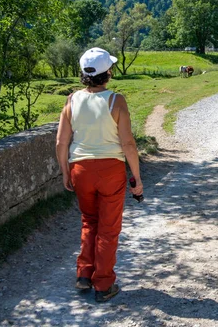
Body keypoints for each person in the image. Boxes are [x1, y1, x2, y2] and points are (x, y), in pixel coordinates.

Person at [56, 47, 143, 303]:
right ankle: (103, 285)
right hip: (110, 170)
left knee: (89, 221)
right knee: (108, 228)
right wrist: (136, 177)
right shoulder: (116, 100)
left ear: (84, 74)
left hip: (80, 169)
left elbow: (61, 142)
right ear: (109, 73)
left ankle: (84, 274)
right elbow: (128, 144)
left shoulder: (71, 100)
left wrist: (65, 172)